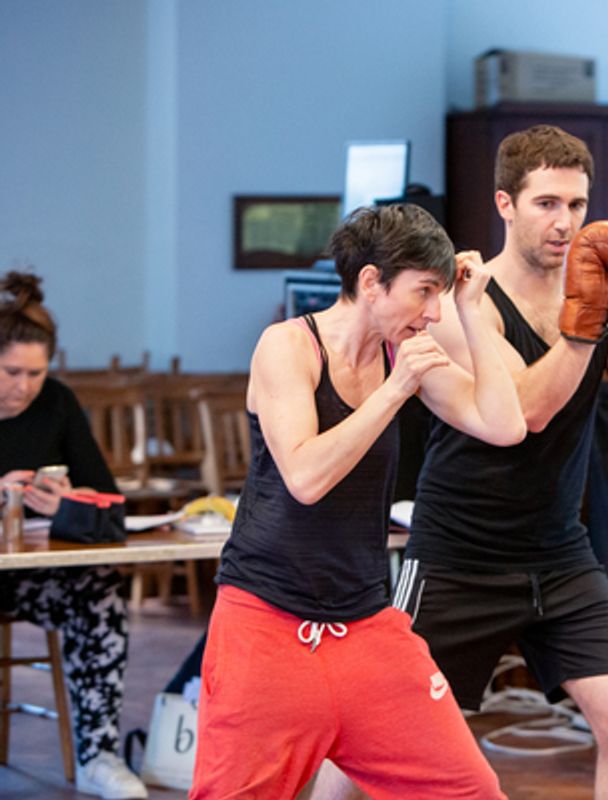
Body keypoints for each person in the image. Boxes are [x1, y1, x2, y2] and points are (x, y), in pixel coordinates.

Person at [320, 124, 608, 800]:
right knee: (380, 732)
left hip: (560, 555)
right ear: (505, 205)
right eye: (547, 203)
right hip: (459, 554)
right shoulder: (462, 304)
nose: (565, 223)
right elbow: (524, 414)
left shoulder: (606, 304)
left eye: (577, 206)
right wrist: (588, 326)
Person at [189, 203, 524, 799]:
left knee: (474, 792)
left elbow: (505, 426)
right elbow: (305, 476)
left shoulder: (407, 352)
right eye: (425, 292)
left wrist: (473, 317)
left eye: (442, 295)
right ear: (371, 283)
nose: (433, 312)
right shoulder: (287, 347)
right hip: (265, 621)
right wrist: (396, 391)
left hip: (365, 624)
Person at [0, 271, 149, 799]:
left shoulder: (56, 403)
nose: (24, 386)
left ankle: (98, 757)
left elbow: (109, 502)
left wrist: (65, 506)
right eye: (12, 371)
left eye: (36, 373)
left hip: (34, 577)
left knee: (101, 595)